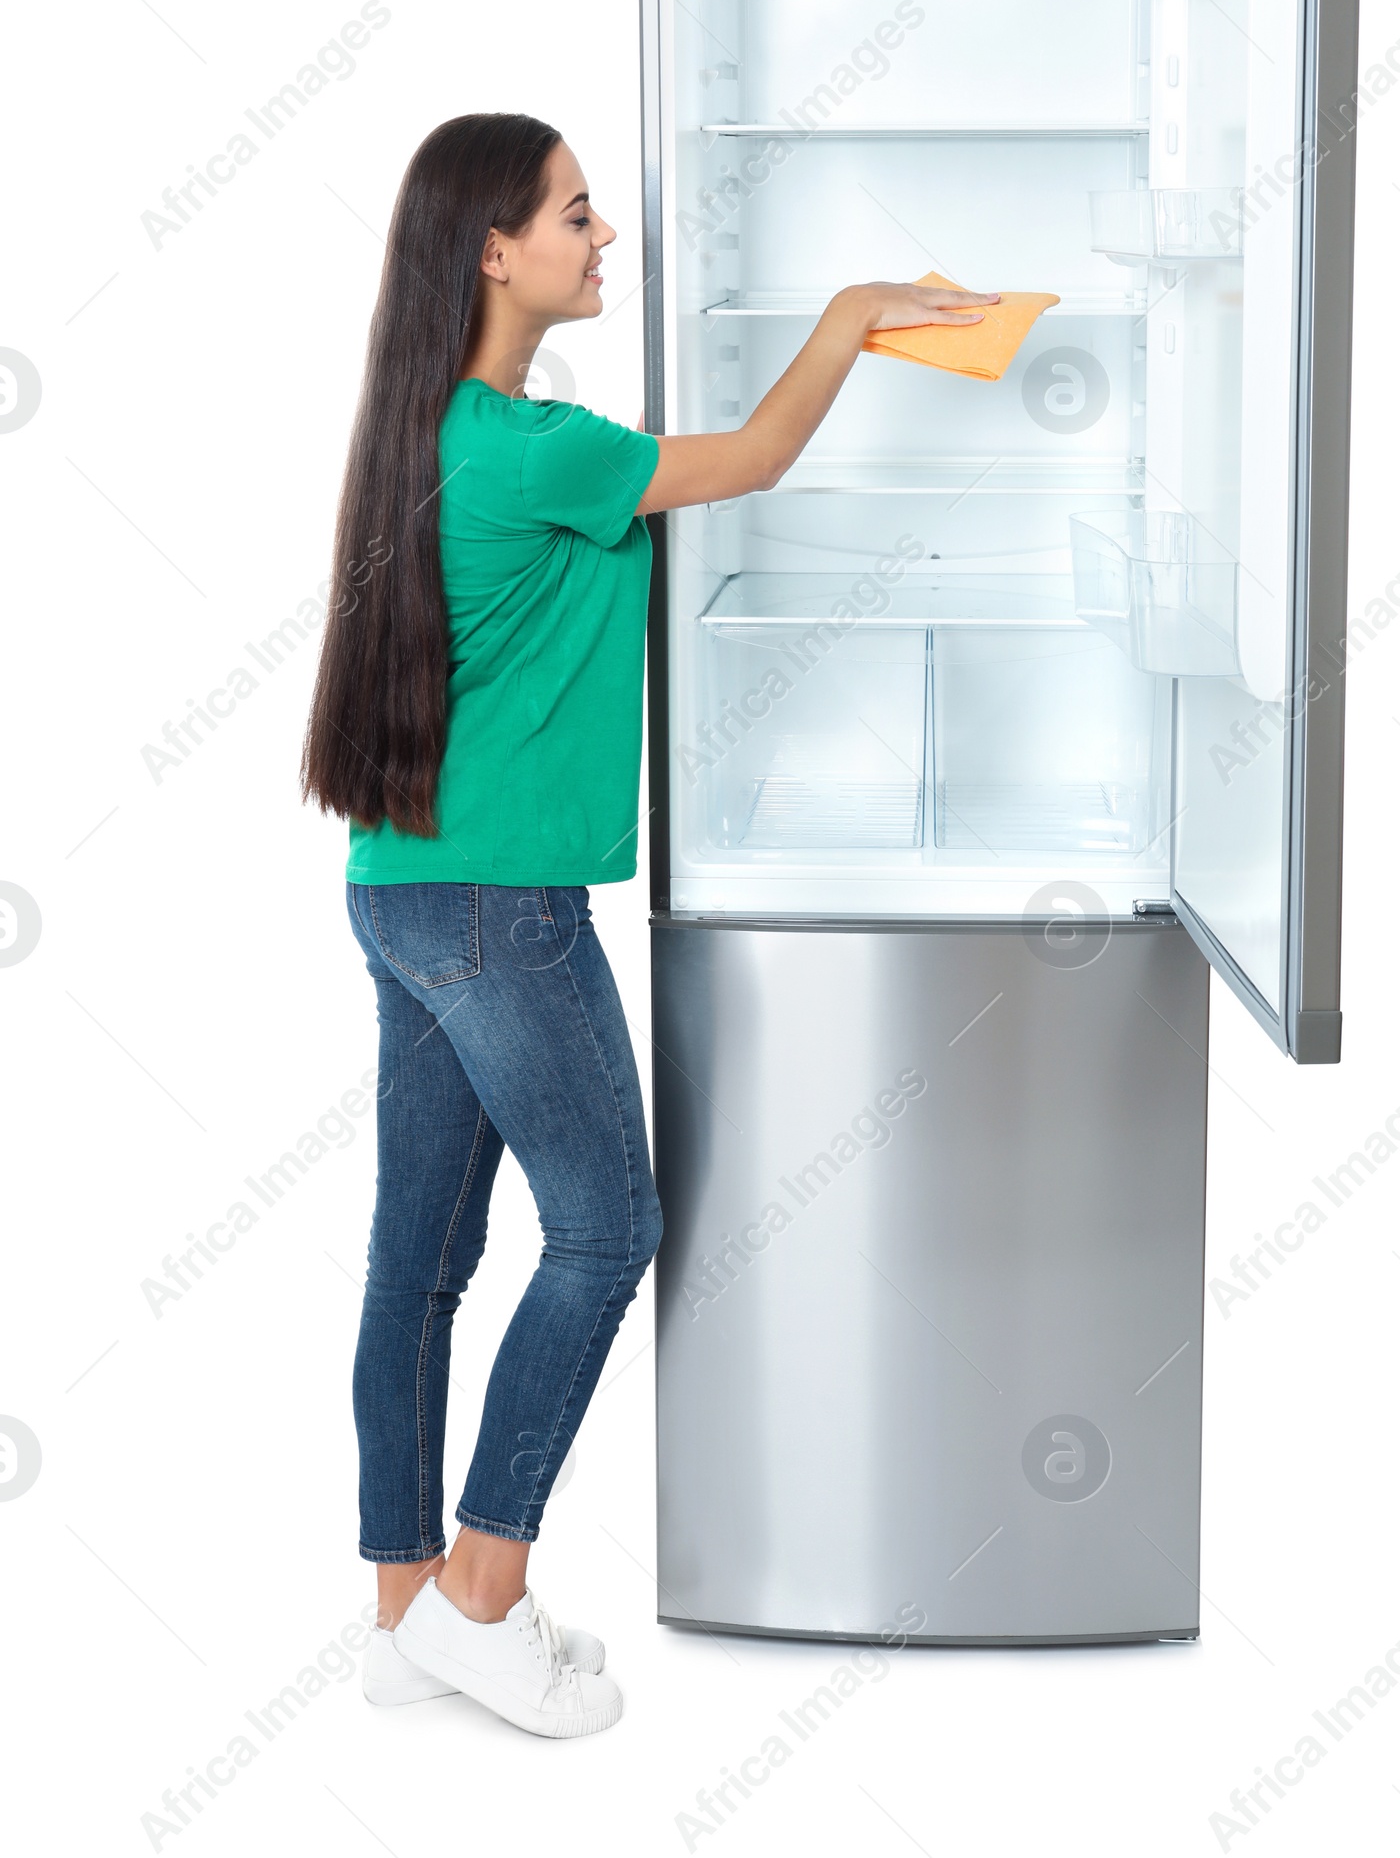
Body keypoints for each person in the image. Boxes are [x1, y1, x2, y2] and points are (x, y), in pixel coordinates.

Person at [300, 112, 992, 1737]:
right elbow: (745, 465)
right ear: (492, 248)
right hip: (502, 911)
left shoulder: (442, 430)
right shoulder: (537, 451)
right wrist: (851, 318)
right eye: (578, 213)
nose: (606, 237)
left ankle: (407, 1613)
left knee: (423, 1262)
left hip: (403, 893)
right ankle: (482, 1594)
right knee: (607, 1229)